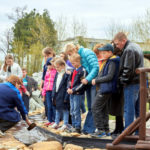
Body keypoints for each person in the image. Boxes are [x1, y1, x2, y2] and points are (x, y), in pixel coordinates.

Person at [65, 43, 99, 134]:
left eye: (69, 54)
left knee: (93, 106)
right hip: (86, 83)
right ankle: (87, 128)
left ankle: (90, 128)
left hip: (92, 81)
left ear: (72, 50)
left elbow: (95, 67)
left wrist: (87, 79)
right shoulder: (79, 57)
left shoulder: (87, 53)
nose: (70, 56)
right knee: (89, 106)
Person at [113, 32, 144, 129]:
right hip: (139, 82)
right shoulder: (135, 46)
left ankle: (128, 133)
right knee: (138, 109)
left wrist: (122, 81)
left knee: (129, 109)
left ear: (124, 40)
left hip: (131, 83)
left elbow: (128, 69)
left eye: (117, 44)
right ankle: (139, 132)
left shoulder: (129, 50)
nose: (117, 46)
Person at [91, 43, 120, 137]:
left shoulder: (113, 61)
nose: (102, 55)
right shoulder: (109, 60)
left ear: (110, 52)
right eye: (101, 53)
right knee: (103, 109)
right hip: (105, 88)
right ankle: (106, 129)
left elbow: (109, 76)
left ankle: (100, 130)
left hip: (106, 88)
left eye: (104, 53)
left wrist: (96, 80)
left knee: (95, 107)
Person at [67, 53, 87, 133]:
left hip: (78, 93)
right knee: (72, 110)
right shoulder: (73, 70)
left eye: (73, 63)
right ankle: (74, 125)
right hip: (71, 93)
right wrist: (68, 88)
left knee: (76, 110)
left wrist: (74, 90)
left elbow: (82, 83)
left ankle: (78, 127)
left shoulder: (82, 70)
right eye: (71, 63)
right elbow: (69, 80)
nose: (72, 65)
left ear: (78, 61)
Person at [51, 59, 70, 131]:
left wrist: (66, 97)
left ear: (63, 66)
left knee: (65, 109)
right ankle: (56, 122)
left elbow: (67, 86)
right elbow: (54, 85)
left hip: (63, 94)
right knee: (57, 108)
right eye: (55, 67)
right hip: (57, 94)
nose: (56, 69)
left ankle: (65, 123)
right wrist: (53, 95)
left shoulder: (66, 75)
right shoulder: (57, 74)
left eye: (58, 67)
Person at [42, 58, 57, 126]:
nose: (48, 66)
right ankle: (49, 120)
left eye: (50, 65)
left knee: (54, 106)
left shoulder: (55, 71)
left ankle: (54, 120)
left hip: (53, 90)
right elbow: (45, 83)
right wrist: (43, 93)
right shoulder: (47, 72)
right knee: (48, 106)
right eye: (47, 65)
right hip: (47, 91)